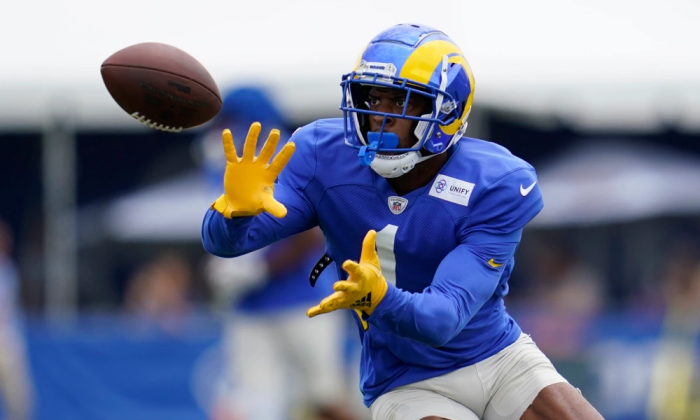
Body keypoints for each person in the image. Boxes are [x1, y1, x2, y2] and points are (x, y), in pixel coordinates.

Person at [201, 24, 604, 420]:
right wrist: (233, 211)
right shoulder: (323, 154)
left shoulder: (495, 182)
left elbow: (443, 318)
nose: (380, 116)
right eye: (374, 98)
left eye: (400, 102)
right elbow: (227, 243)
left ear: (444, 112)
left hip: (498, 358)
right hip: (407, 380)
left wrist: (380, 299)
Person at [198, 87, 355, 420]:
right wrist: (220, 267)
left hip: (304, 300)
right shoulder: (220, 160)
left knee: (325, 400)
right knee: (255, 405)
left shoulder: (285, 154)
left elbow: (313, 232)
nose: (220, 130)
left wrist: (259, 269)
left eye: (228, 121)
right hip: (248, 307)